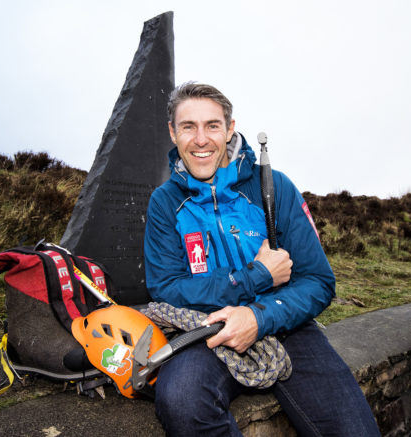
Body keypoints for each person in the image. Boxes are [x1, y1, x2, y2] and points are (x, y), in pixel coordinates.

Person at [143, 82, 380, 436]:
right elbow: (166, 288)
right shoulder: (164, 203)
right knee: (180, 399)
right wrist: (255, 277)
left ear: (230, 128)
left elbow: (318, 281)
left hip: (287, 324)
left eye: (212, 125)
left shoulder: (274, 187)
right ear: (173, 133)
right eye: (188, 126)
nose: (201, 139)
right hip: (205, 332)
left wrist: (258, 315)